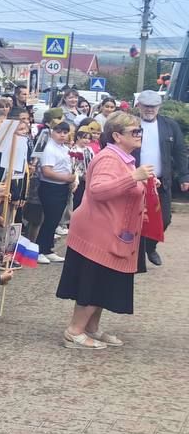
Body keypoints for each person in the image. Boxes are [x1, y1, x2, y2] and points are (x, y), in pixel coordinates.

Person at [56, 112, 155, 349]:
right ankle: (74, 331)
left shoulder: (123, 159)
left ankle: (91, 328)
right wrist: (133, 178)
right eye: (134, 131)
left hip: (111, 232)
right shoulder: (109, 159)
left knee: (104, 282)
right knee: (95, 283)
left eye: (140, 131)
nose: (139, 135)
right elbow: (98, 190)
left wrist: (141, 183)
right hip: (98, 233)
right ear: (117, 136)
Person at [133, 89, 189, 267]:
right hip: (135, 179)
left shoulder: (169, 125)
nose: (150, 109)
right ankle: (136, 254)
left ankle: (150, 246)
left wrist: (184, 176)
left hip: (161, 181)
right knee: (135, 219)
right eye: (146, 106)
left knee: (164, 219)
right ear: (139, 106)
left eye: (154, 106)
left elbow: (180, 151)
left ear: (159, 107)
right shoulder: (131, 124)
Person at [35, 122, 76, 263]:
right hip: (51, 187)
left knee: (55, 220)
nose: (62, 135)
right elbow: (47, 171)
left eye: (65, 132)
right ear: (52, 132)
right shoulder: (49, 148)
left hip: (62, 187)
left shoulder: (64, 148)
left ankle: (47, 249)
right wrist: (66, 178)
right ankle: (40, 250)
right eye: (59, 132)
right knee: (49, 219)